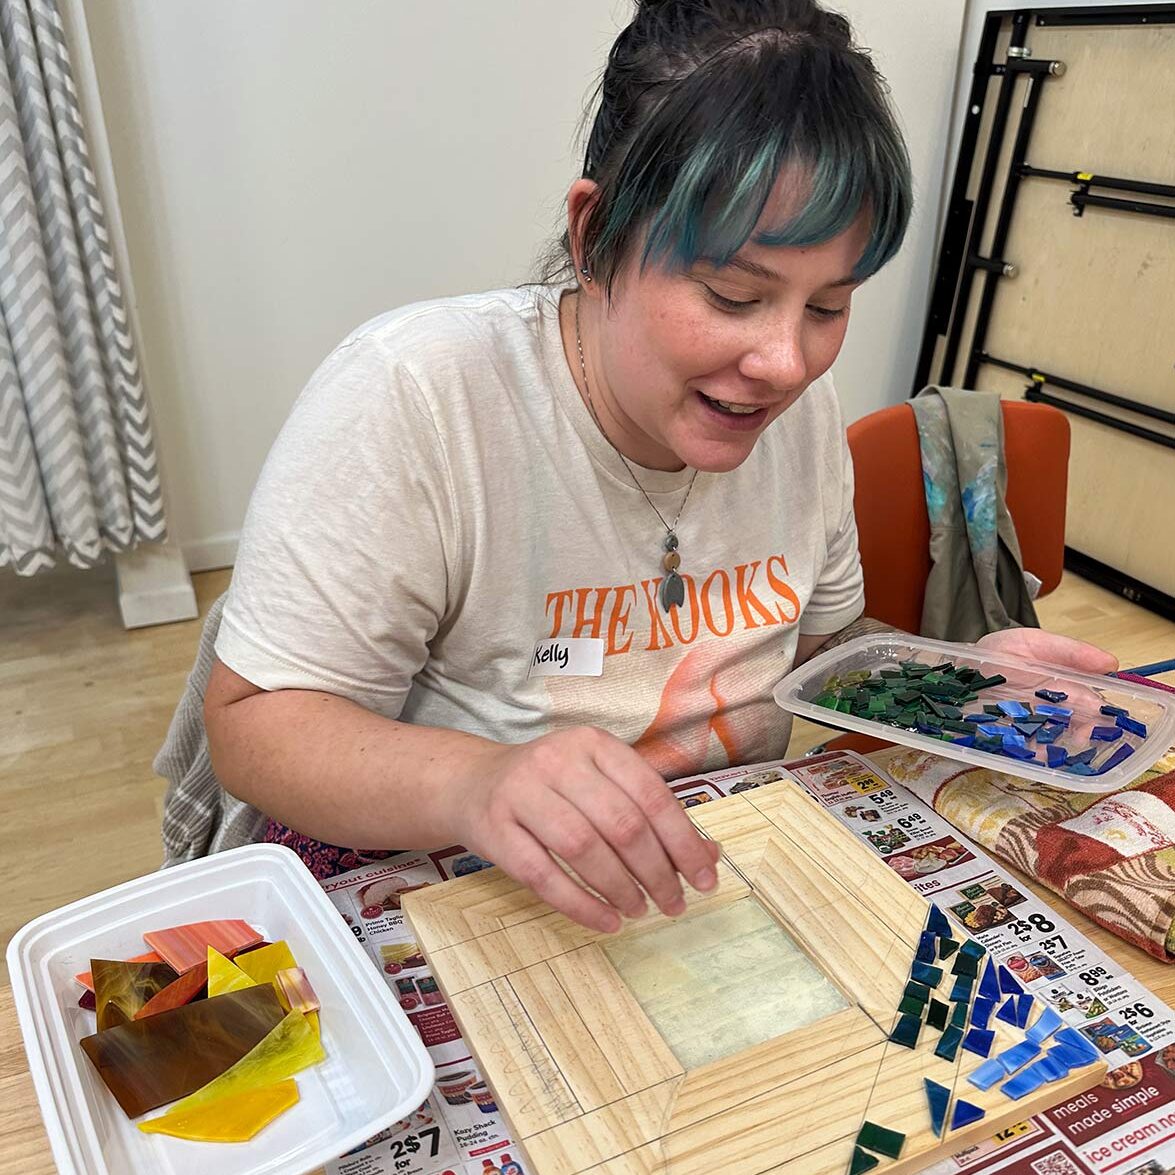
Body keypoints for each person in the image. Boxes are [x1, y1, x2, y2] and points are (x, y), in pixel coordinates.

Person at [203, 0, 1115, 933]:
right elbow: (254, 723)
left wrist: (953, 684)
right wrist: (476, 781)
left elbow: (820, 646)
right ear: (594, 237)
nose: (785, 364)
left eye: (827, 306)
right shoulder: (420, 393)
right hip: (468, 888)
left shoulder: (797, 410)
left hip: (711, 877)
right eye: (732, 295)